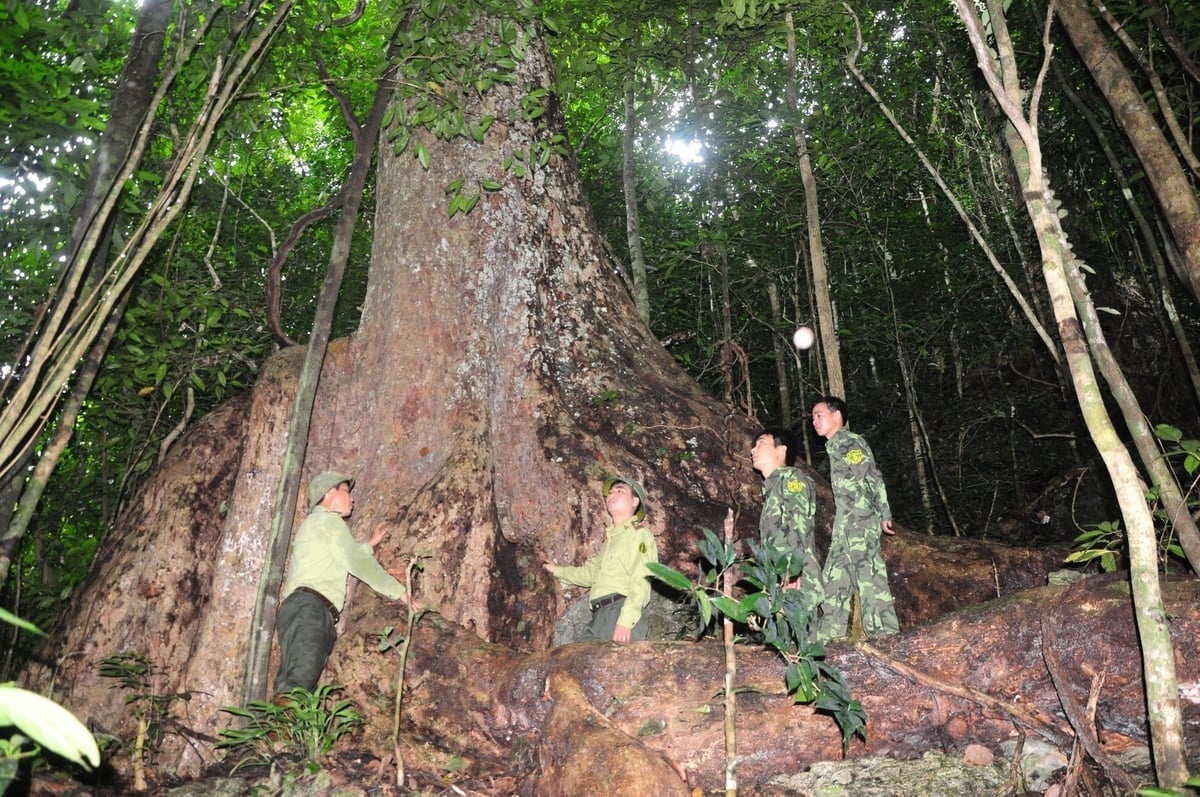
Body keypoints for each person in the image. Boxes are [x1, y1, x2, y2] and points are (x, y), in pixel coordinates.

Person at [272, 471, 415, 697]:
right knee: (301, 679)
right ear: (330, 494)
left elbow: (344, 555)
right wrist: (399, 592)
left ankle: (277, 727)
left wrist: (368, 545)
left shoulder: (318, 525)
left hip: (302, 609)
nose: (352, 498)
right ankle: (279, 730)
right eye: (346, 491)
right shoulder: (328, 520)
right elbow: (357, 563)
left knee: (295, 681)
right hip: (310, 609)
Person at [811, 397, 899, 640]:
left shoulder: (849, 442)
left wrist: (884, 513)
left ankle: (886, 636)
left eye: (819, 415)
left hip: (861, 520)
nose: (814, 421)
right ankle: (828, 637)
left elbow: (871, 476)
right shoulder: (834, 446)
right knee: (835, 578)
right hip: (845, 525)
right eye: (813, 418)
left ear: (837, 415)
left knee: (869, 574)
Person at [543, 476, 658, 643]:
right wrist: (557, 570)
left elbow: (642, 579)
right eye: (610, 493)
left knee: (617, 668)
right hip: (598, 616)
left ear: (635, 501)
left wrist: (626, 622)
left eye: (620, 491)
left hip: (620, 611)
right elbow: (590, 574)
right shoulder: (610, 540)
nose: (612, 495)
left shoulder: (639, 534)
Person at [751, 427, 823, 623]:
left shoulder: (792, 478)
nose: (753, 450)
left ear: (781, 449)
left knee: (802, 643)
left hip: (796, 580)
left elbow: (799, 523)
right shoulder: (772, 489)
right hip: (779, 580)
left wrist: (793, 570)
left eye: (761, 443)